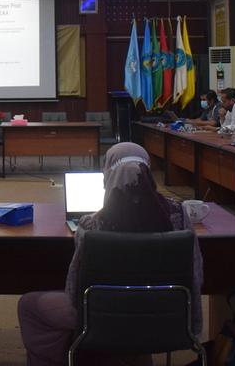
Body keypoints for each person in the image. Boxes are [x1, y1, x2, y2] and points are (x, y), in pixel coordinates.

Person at [17, 143, 202, 366]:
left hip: (103, 317)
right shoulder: (179, 214)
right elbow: (196, 274)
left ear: (107, 177)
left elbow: (75, 289)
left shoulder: (90, 224)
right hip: (167, 314)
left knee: (29, 306)